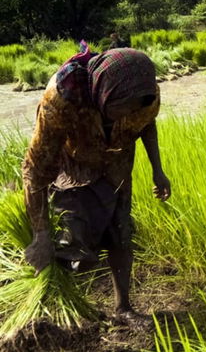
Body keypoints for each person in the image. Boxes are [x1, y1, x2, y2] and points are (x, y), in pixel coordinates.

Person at [22, 45, 171, 319]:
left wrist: (157, 170)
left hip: (117, 165)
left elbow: (146, 123)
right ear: (105, 92)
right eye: (122, 105)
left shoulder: (145, 95)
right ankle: (59, 309)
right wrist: (40, 234)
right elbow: (35, 168)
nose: (128, 112)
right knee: (73, 240)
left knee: (121, 232)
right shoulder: (62, 98)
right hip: (73, 169)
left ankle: (123, 307)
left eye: (133, 107)